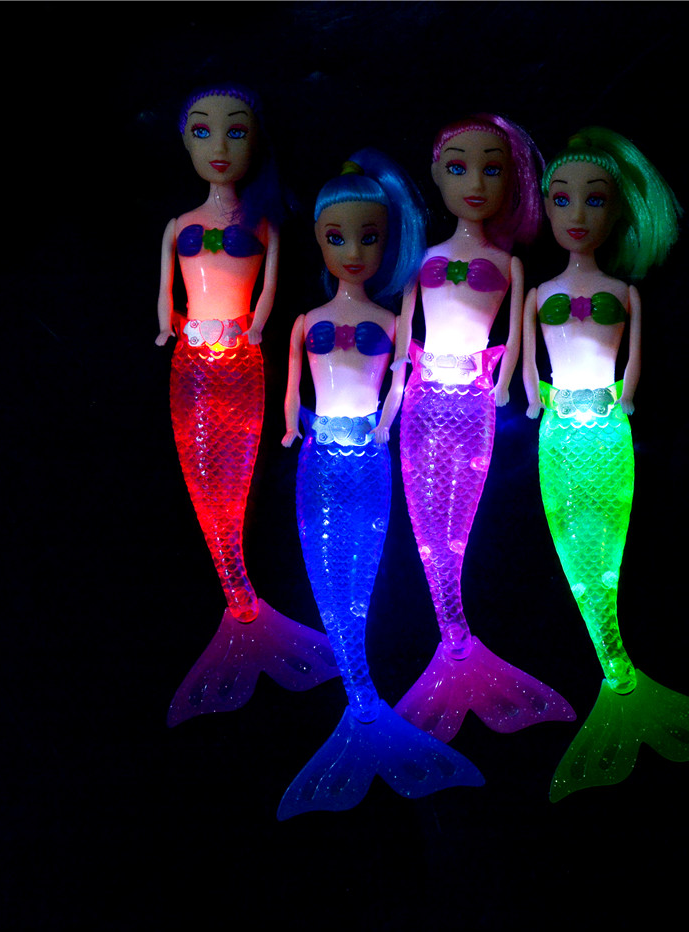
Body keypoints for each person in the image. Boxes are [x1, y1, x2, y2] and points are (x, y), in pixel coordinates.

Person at [523, 127, 689, 797]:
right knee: (574, 550)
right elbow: (531, 364)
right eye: (561, 199)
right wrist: (535, 398)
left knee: (606, 553)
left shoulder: (626, 293)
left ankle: (620, 678)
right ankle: (616, 674)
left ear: (618, 212)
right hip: (559, 433)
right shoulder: (536, 294)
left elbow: (636, 363)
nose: (577, 214)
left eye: (594, 200)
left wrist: (623, 402)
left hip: (608, 431)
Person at [278, 151, 482, 819]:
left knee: (362, 576)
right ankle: (362, 703)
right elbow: (292, 389)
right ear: (317, 240)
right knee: (327, 574)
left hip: (368, 456)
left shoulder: (396, 324)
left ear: (388, 242)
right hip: (318, 457)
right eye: (337, 237)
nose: (353, 251)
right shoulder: (305, 322)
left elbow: (400, 381)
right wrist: (289, 426)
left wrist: (389, 425)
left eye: (369, 237)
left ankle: (364, 705)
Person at [394, 114, 575, 743]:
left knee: (458, 520)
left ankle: (457, 641)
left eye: (492, 169)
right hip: (422, 397)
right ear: (436, 175)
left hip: (474, 397)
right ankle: (454, 639)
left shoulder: (511, 264)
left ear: (513, 181)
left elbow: (518, 335)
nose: (474, 182)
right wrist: (395, 393)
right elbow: (405, 333)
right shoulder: (424, 259)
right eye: (458, 167)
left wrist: (507, 387)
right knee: (426, 522)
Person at [160, 84, 335, 728]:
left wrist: (257, 326)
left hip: (241, 360)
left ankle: (246, 604)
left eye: (235, 130)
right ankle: (240, 600)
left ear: (256, 143)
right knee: (202, 476)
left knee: (234, 476)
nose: (219, 145)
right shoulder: (178, 225)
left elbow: (268, 292)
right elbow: (166, 291)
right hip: (191, 362)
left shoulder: (265, 223)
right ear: (184, 143)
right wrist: (166, 323)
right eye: (202, 131)